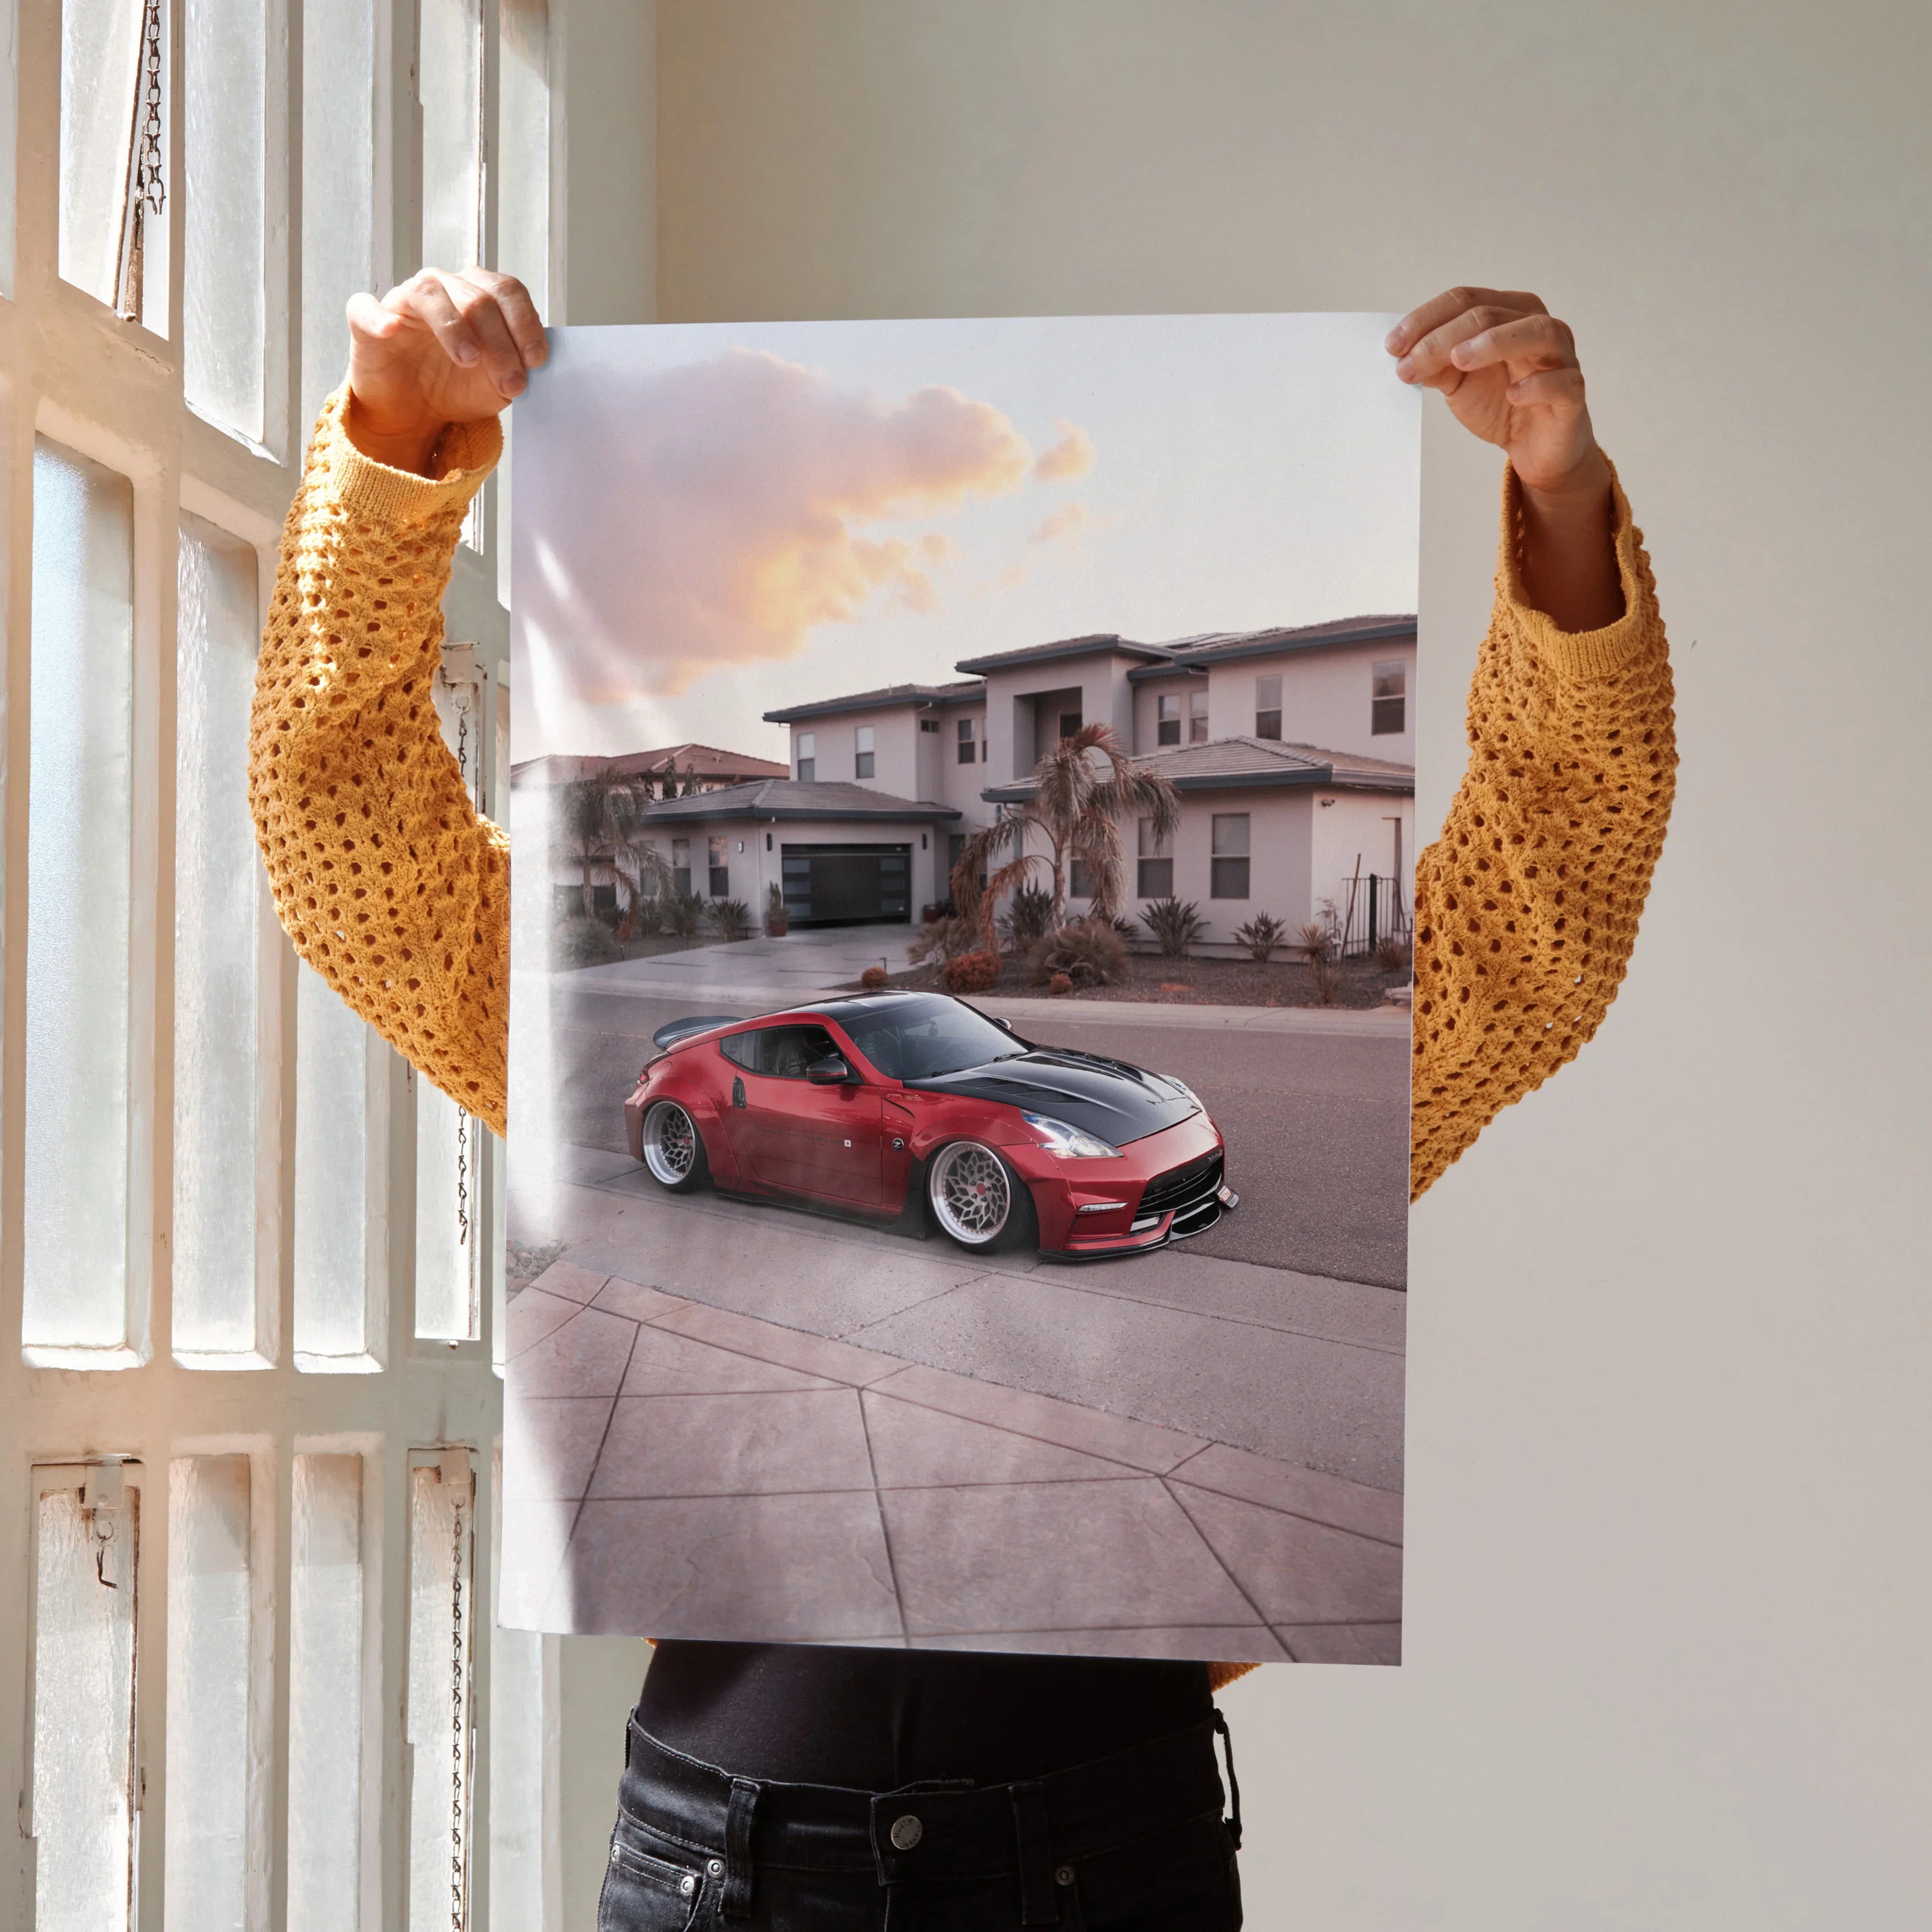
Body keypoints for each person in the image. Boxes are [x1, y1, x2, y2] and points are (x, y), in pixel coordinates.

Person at [250, 273, 1674, 1929]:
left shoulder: (1108, 1084)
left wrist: (1562, 500)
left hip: (1105, 1853)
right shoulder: (653, 1032)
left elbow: (1544, 915)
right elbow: (347, 845)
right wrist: (390, 449)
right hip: (728, 1868)